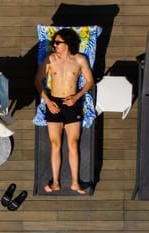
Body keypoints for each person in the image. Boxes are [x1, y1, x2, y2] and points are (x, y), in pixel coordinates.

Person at [35, 28, 94, 194]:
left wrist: (76, 97)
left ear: (67, 44)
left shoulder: (80, 60)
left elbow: (89, 82)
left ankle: (75, 182)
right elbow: (38, 81)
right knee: (55, 144)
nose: (54, 45)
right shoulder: (50, 59)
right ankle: (55, 182)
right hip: (54, 103)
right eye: (54, 42)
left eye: (58, 43)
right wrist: (47, 101)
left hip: (72, 103)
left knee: (73, 144)